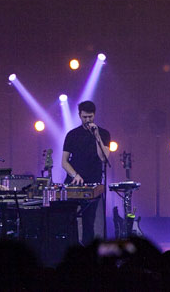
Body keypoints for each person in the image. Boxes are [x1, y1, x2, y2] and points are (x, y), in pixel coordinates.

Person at [61, 100, 110, 245]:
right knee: (68, 220)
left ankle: (88, 256)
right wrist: (74, 175)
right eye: (84, 117)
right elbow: (64, 162)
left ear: (94, 115)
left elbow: (103, 158)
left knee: (89, 222)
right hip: (73, 183)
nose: (87, 120)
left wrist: (97, 136)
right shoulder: (72, 135)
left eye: (90, 117)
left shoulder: (104, 133)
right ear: (79, 115)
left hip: (92, 183)